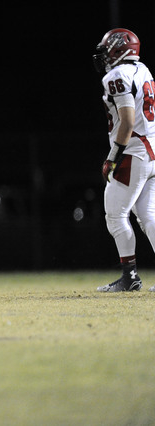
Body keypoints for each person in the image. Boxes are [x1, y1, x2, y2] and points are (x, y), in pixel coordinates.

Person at [93, 28, 155, 292]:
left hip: (134, 150)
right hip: (151, 148)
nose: (105, 55)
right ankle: (130, 277)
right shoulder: (143, 70)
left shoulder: (116, 75)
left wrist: (112, 156)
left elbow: (128, 120)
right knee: (148, 215)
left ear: (120, 50)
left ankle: (129, 276)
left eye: (108, 49)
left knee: (115, 215)